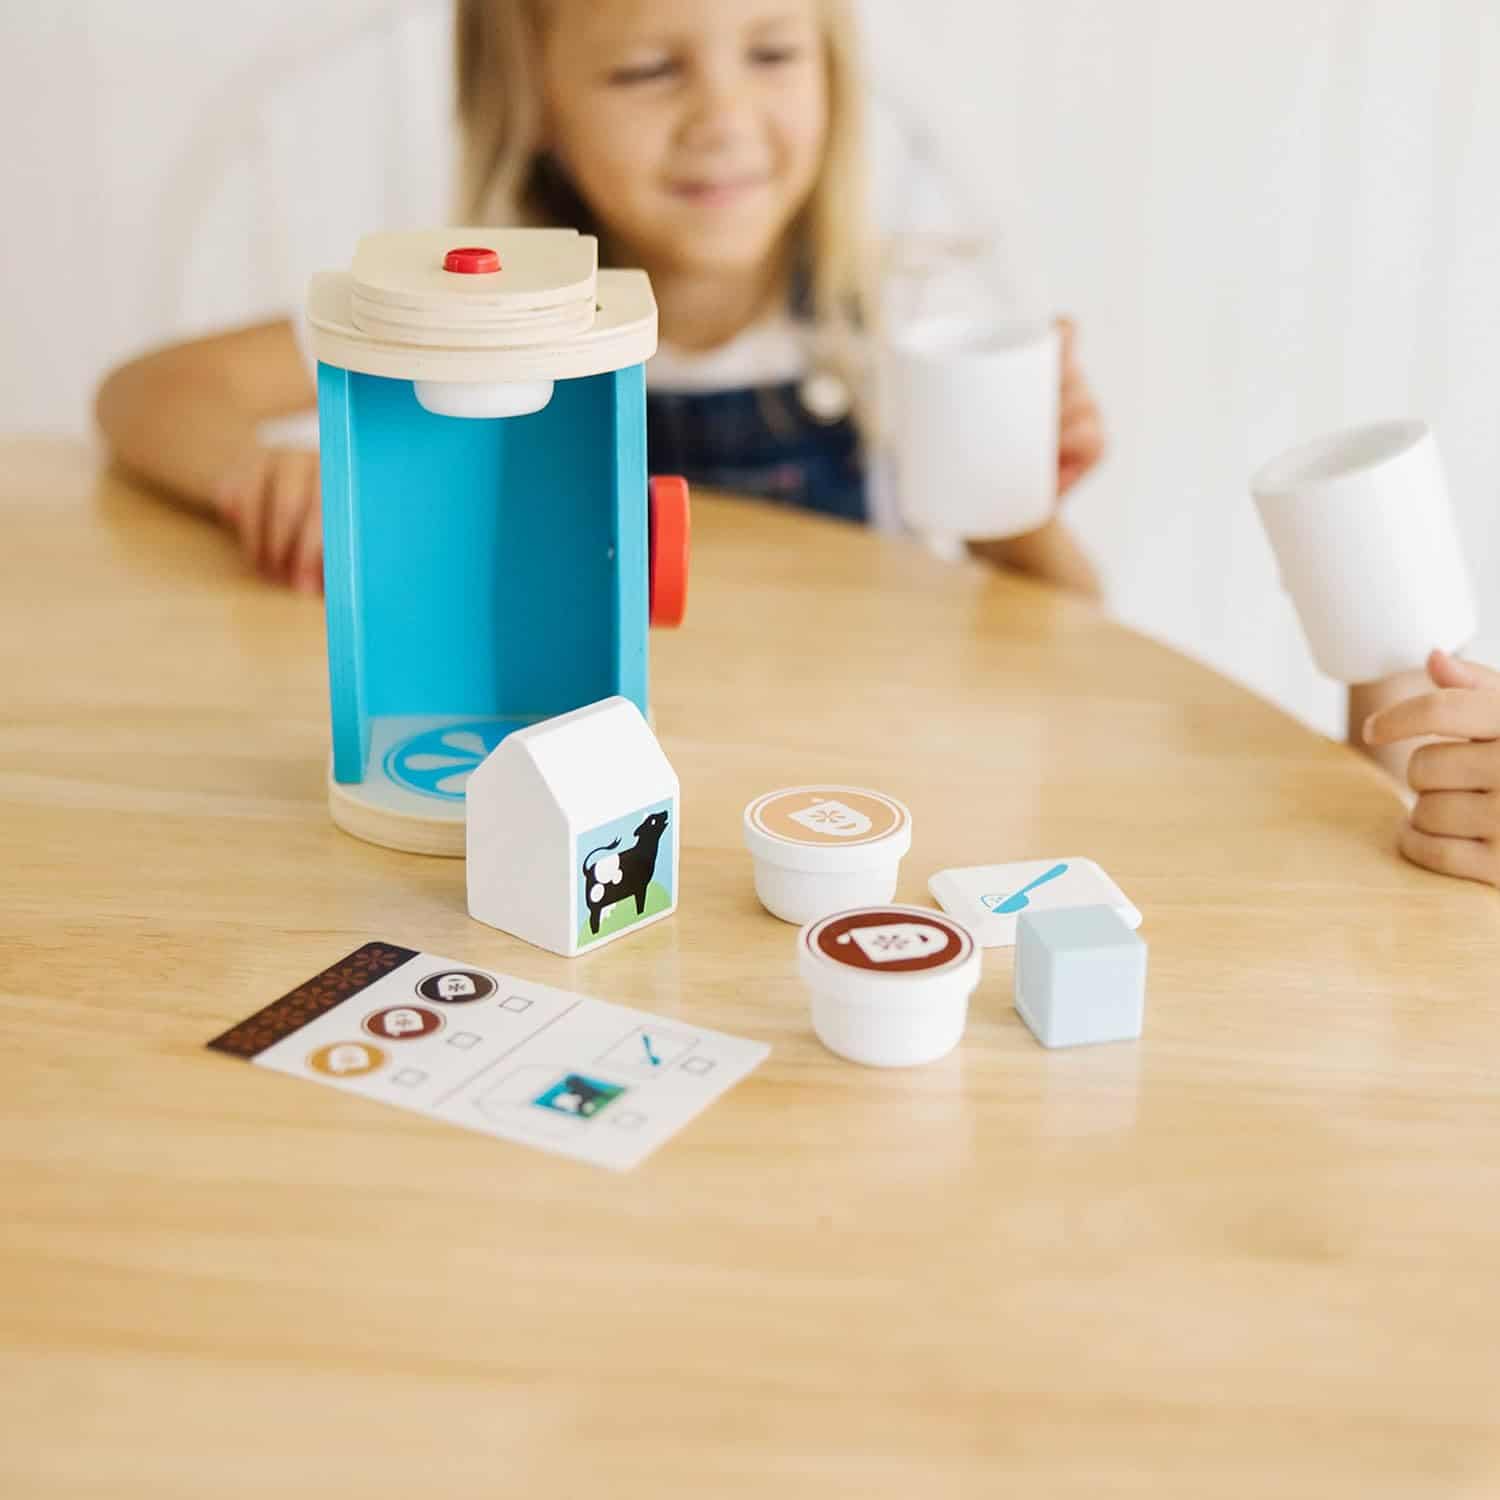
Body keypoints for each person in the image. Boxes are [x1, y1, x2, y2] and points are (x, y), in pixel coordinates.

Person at [94, 0, 1105, 600]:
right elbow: (146, 392)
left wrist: (1018, 498)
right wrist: (257, 476)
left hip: (837, 795)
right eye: (648, 67)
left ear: (832, 69)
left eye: (772, 52)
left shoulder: (898, 318)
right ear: (536, 104)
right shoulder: (475, 312)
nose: (724, 116)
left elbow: (1064, 631)